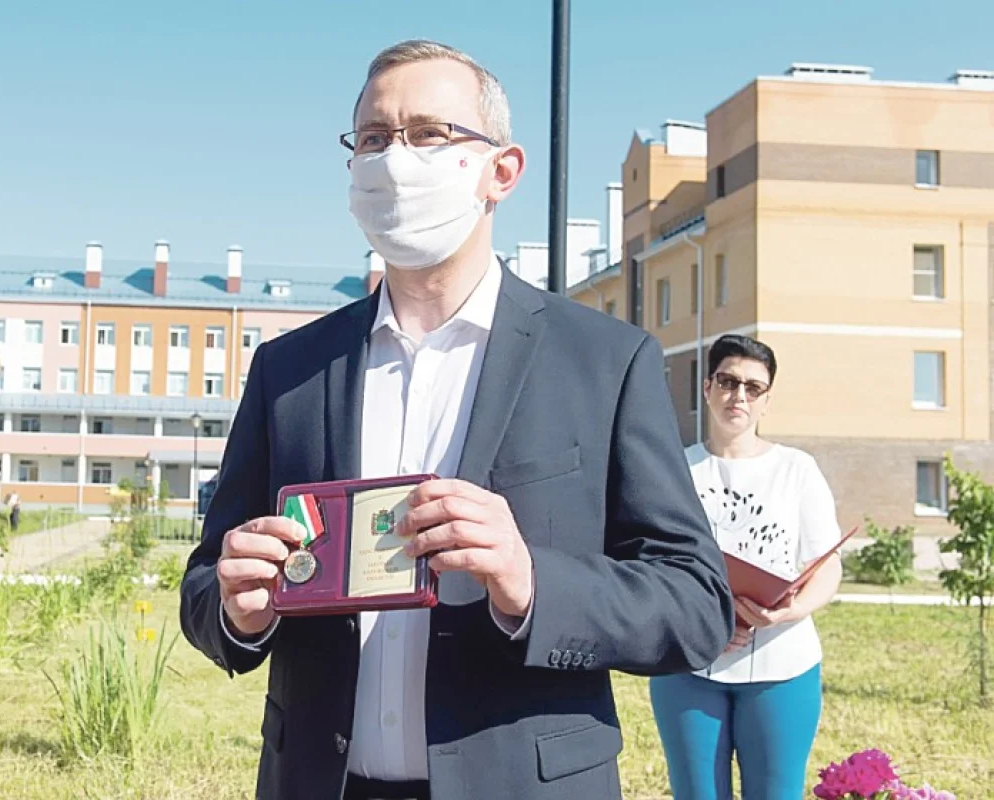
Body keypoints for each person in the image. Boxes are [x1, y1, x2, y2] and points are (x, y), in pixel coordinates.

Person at [179, 40, 734, 800]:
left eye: (429, 134)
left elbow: (696, 604)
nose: (394, 159)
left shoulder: (605, 361)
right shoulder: (290, 370)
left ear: (501, 172)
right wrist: (237, 611)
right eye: (374, 138)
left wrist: (530, 581)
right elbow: (207, 581)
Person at [648, 334, 845, 800]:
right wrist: (701, 626)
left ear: (767, 400)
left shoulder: (797, 470)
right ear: (707, 387)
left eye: (754, 387)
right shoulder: (674, 472)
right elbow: (653, 567)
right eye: (728, 381)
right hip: (689, 667)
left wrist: (789, 612)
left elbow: (827, 565)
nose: (739, 395)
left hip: (783, 667)